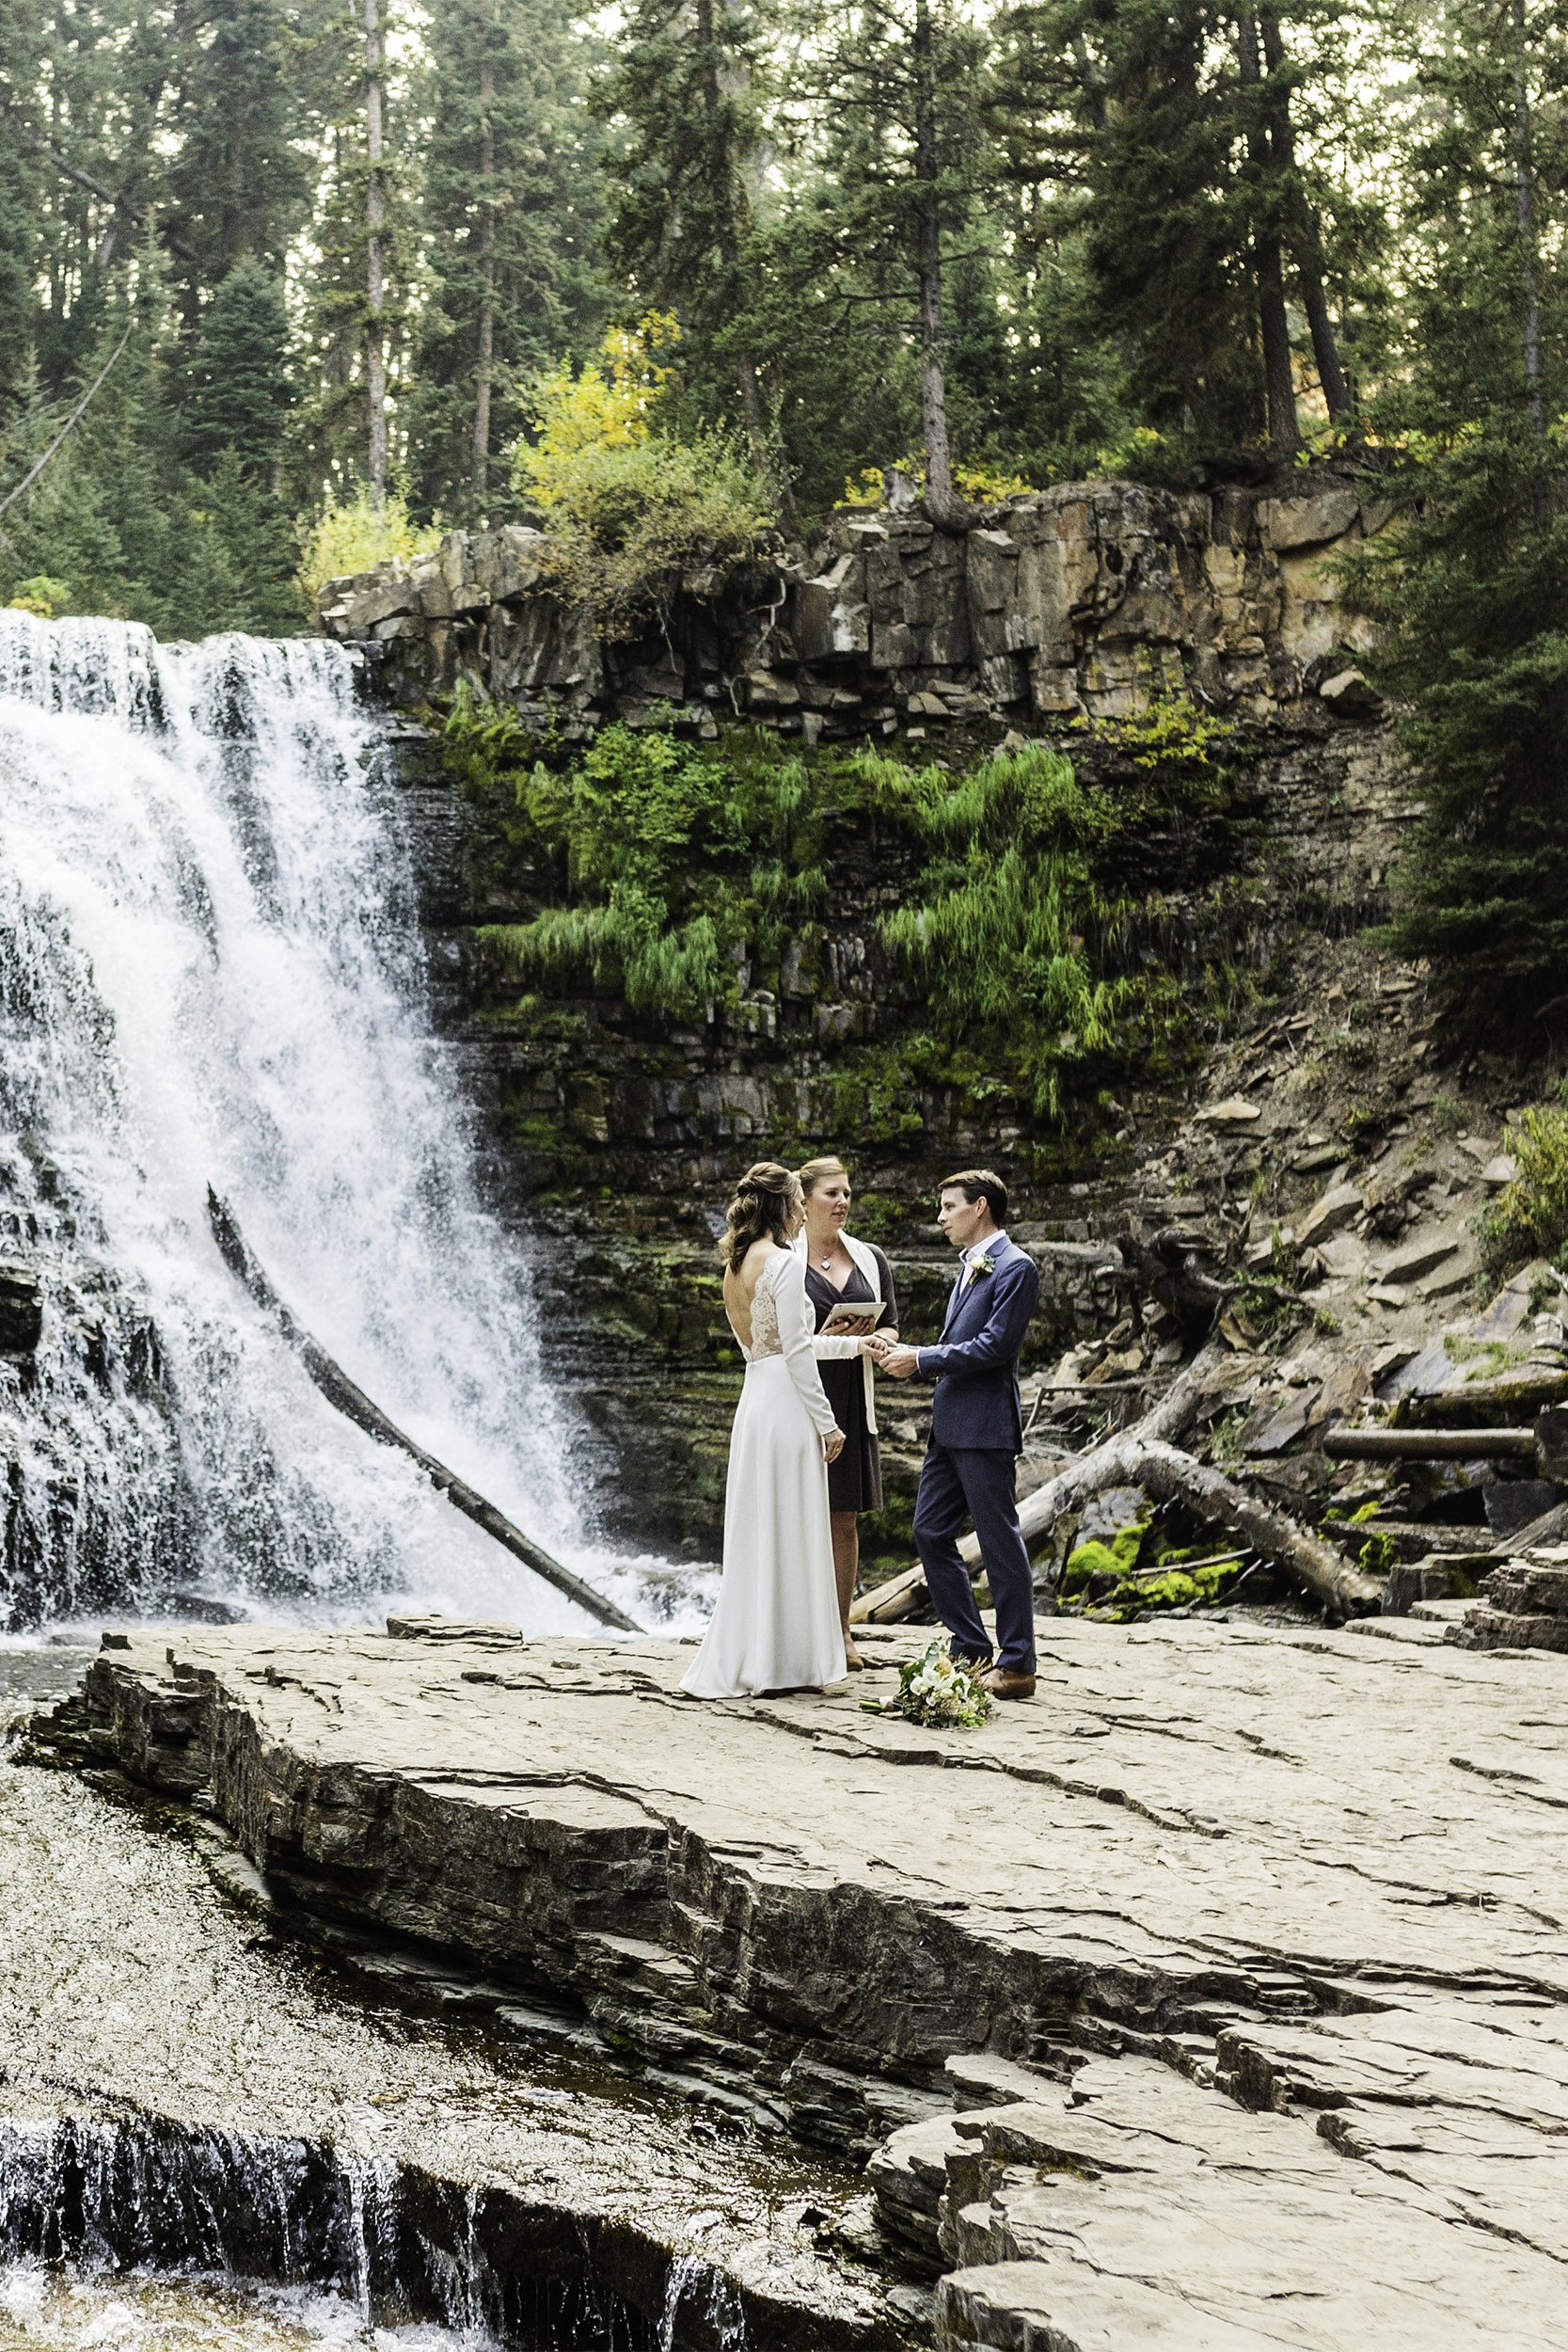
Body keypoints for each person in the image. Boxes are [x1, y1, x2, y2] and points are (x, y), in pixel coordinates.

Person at [681, 1161, 878, 1700]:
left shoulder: (735, 1265)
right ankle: (788, 1660)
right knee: (793, 1526)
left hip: (755, 1405)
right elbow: (795, 1353)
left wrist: (855, 1344)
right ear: (782, 1207)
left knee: (760, 1529)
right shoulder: (787, 1264)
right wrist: (830, 1424)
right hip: (789, 1408)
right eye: (796, 1203)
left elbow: (775, 1347)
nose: (800, 1213)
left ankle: (757, 1653)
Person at [875, 1169, 1041, 1700]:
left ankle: (1018, 1663)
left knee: (998, 1540)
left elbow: (995, 1347)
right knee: (928, 1531)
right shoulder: (970, 1267)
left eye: (949, 1207)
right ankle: (970, 1646)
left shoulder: (1017, 1268)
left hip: (986, 1425)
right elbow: (965, 1341)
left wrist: (920, 1358)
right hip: (948, 1426)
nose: (941, 1217)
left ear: (981, 1207)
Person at [793, 1155, 899, 1671]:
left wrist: (878, 1338)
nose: (843, 1202)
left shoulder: (870, 1257)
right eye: (832, 1193)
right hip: (801, 1399)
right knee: (796, 1515)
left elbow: (893, 1325)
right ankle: (796, 1631)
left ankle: (841, 1632)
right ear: (804, 1199)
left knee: (843, 1517)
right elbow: (777, 1343)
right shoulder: (784, 1259)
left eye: (848, 1193)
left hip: (853, 1401)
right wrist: (827, 1341)